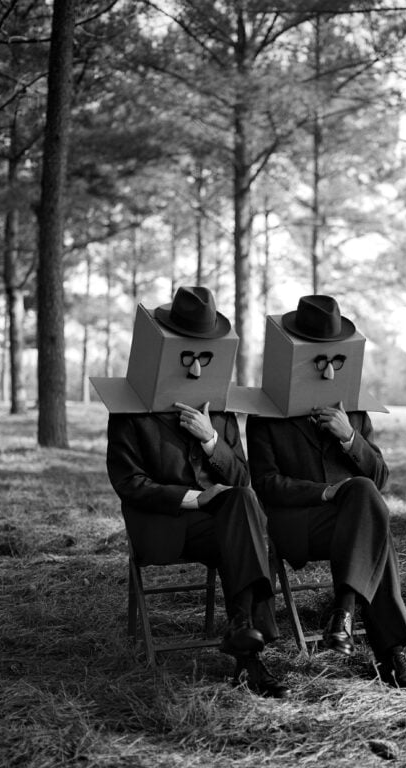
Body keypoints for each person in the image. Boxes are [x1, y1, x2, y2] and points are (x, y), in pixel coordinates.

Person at [246, 295, 406, 693]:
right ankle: (387, 652)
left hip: (346, 526)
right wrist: (326, 492)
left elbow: (380, 476)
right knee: (370, 521)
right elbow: (265, 484)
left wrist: (349, 437)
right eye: (320, 362)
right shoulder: (265, 414)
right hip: (296, 524)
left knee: (367, 499)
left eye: (337, 362)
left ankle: (347, 617)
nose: (330, 373)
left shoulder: (353, 411)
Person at [105, 286, 289, 698]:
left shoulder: (218, 410)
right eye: (186, 357)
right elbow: (128, 484)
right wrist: (194, 498)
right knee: (246, 529)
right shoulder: (129, 409)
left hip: (220, 523)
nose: (194, 369)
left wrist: (211, 441)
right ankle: (253, 634)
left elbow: (242, 481)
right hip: (164, 526)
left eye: (204, 358)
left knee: (242, 509)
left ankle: (245, 643)